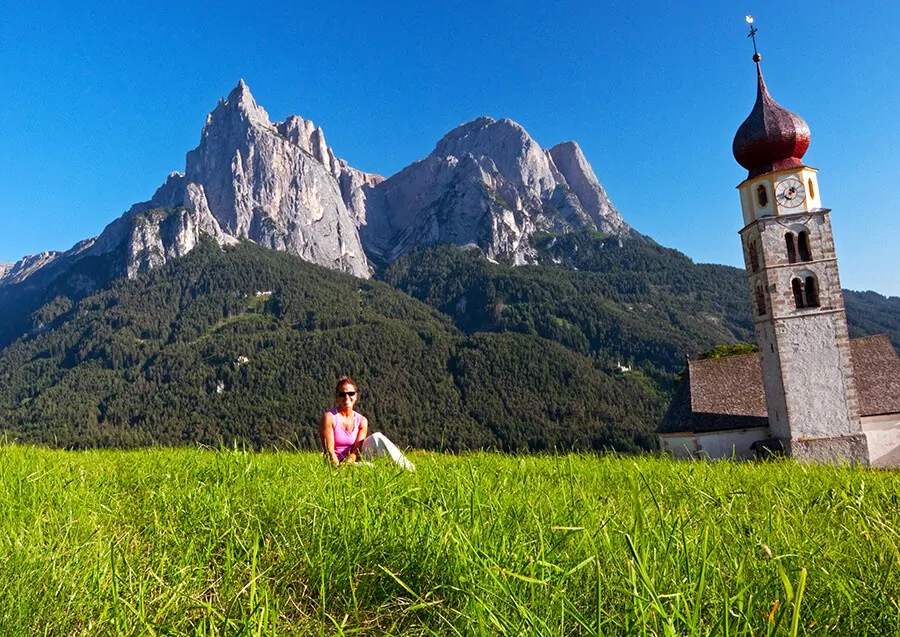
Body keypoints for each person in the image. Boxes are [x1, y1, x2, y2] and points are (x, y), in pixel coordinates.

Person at [319, 376, 415, 471]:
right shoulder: (329, 417)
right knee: (370, 468)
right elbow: (329, 450)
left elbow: (356, 450)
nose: (347, 397)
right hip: (333, 464)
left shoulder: (362, 420)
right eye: (342, 394)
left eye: (351, 393)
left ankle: (408, 469)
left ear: (356, 396)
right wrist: (338, 469)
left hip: (352, 461)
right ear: (337, 397)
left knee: (376, 437)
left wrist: (347, 464)